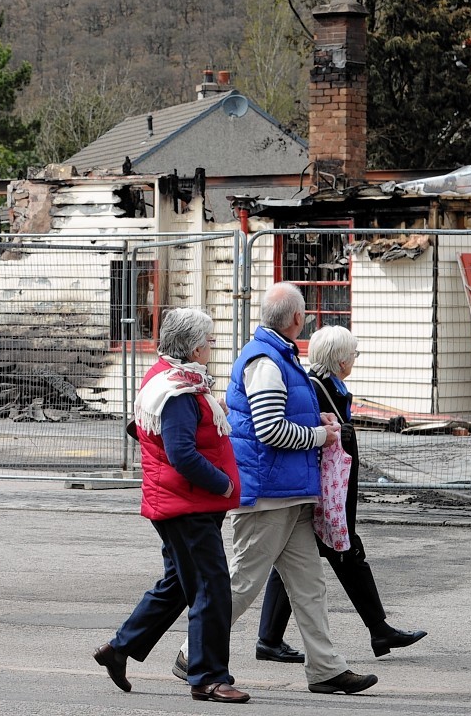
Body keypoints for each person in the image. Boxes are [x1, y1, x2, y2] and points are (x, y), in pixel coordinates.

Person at [175, 283, 377, 696]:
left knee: (308, 585)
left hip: (287, 491)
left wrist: (312, 419)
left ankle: (325, 669)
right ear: (298, 319)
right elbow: (271, 430)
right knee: (242, 582)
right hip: (268, 493)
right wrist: (321, 435)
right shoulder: (267, 360)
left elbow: (276, 418)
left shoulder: (277, 355)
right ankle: (190, 654)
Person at [93, 307, 250, 704]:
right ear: (194, 347)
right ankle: (208, 677)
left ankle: (120, 648)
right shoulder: (176, 389)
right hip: (188, 506)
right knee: (212, 590)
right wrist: (224, 482)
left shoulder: (175, 379)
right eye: (209, 340)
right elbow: (181, 453)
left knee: (180, 585)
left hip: (184, 503)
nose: (213, 345)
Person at [255, 324, 427, 664]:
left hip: (329, 490)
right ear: (340, 359)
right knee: (331, 554)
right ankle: (376, 631)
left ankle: (375, 630)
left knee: (313, 558)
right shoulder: (317, 389)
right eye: (353, 354)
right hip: (322, 492)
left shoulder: (330, 386)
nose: (355, 359)